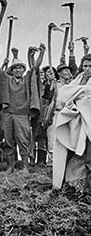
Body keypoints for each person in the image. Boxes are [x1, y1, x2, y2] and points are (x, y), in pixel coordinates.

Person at [0, 45, 44, 173]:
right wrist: (0, 54)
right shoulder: (7, 80)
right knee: (8, 140)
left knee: (23, 139)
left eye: (20, 68)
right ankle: (10, 166)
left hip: (22, 114)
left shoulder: (27, 79)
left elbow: (35, 68)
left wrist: (38, 54)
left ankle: (25, 167)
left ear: (23, 70)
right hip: (7, 113)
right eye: (15, 68)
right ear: (11, 70)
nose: (18, 70)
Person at [52, 53, 91, 194]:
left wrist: (80, 96)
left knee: (87, 154)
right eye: (85, 66)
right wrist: (79, 95)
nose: (87, 69)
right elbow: (63, 95)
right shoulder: (78, 79)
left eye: (90, 66)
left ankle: (84, 187)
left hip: (88, 122)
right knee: (68, 150)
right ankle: (66, 183)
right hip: (74, 120)